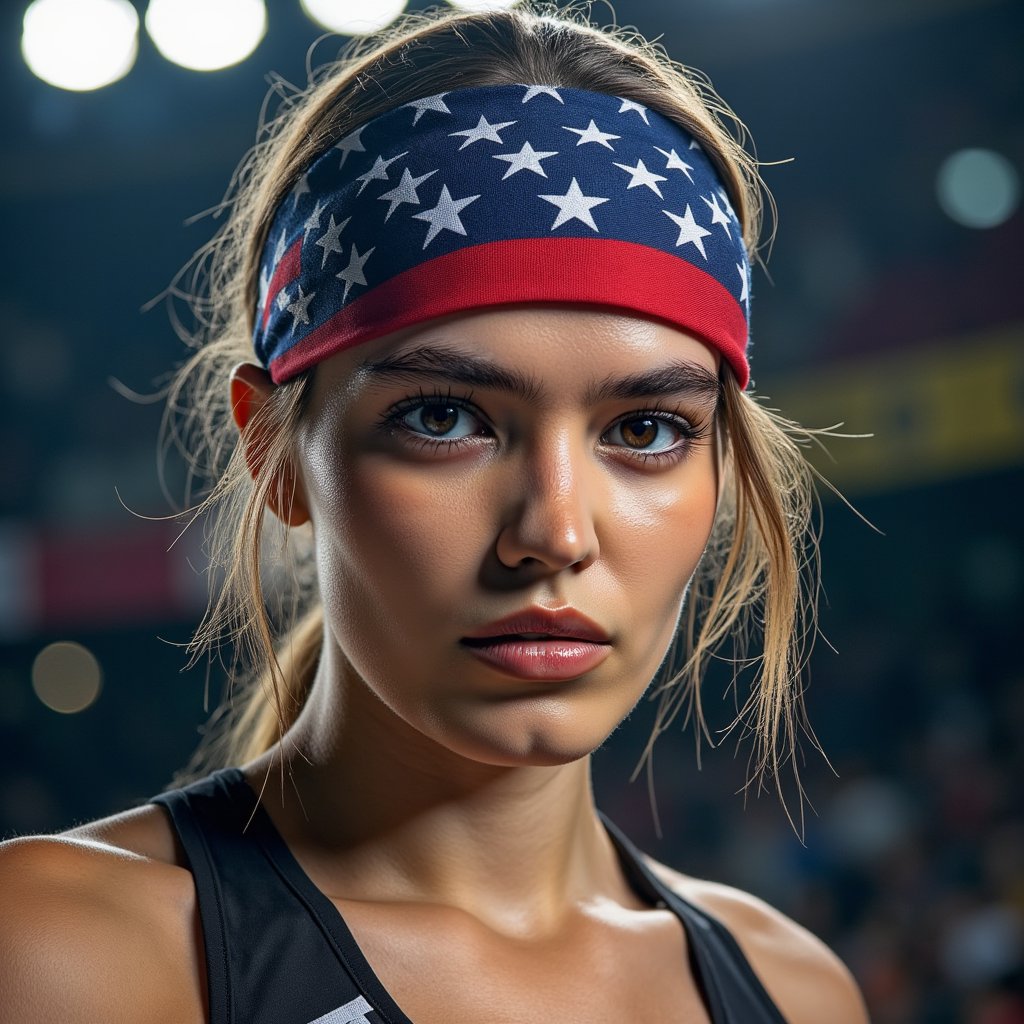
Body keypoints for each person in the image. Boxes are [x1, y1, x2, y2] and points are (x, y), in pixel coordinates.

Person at [0, 4, 870, 1022]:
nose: (555, 532)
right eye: (444, 417)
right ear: (274, 452)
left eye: (645, 430)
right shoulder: (59, 954)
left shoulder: (798, 992)